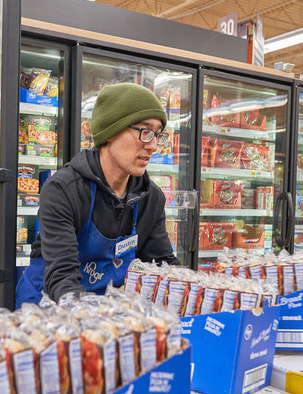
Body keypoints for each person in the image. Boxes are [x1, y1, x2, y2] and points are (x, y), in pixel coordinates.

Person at [16, 82, 180, 307]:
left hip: (104, 313)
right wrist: (94, 324)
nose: (153, 146)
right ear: (111, 131)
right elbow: (62, 277)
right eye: (145, 132)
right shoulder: (64, 190)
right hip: (45, 312)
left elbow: (162, 264)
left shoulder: (150, 198)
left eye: (158, 135)